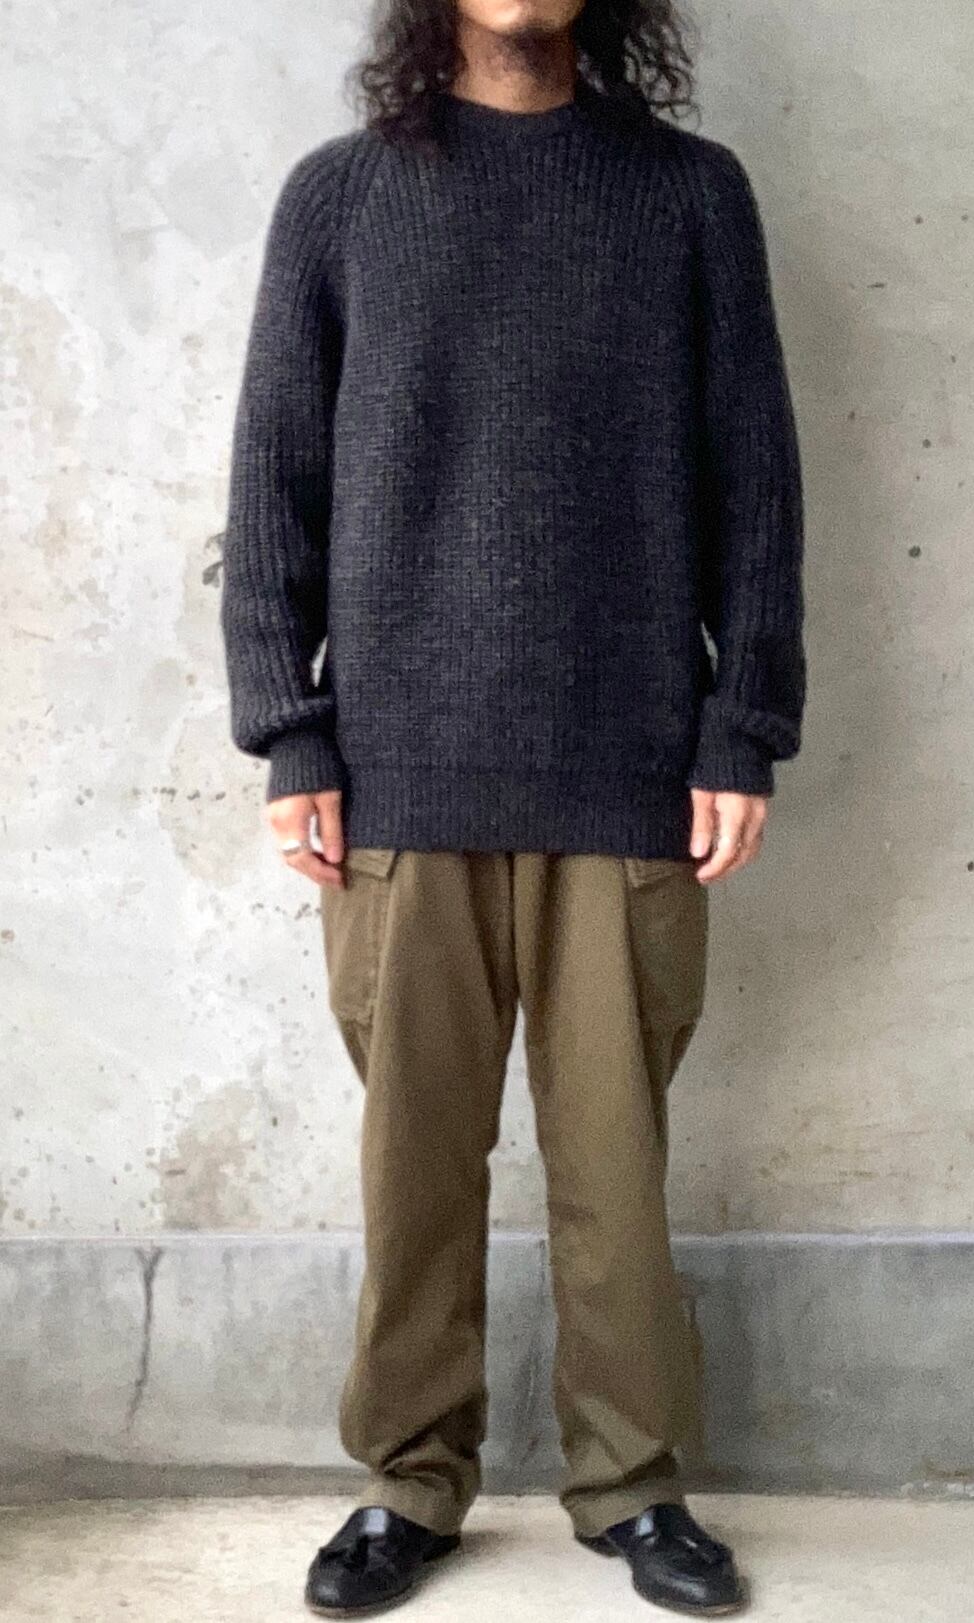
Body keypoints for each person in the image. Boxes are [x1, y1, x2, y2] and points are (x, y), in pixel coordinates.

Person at [219, 0, 806, 1614]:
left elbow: (754, 476)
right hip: (395, 777)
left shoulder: (687, 196)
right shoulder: (343, 196)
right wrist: (289, 734)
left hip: (629, 771)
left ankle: (632, 1485)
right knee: (414, 1169)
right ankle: (408, 1481)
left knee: (616, 1176)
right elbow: (273, 477)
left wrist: (741, 725)